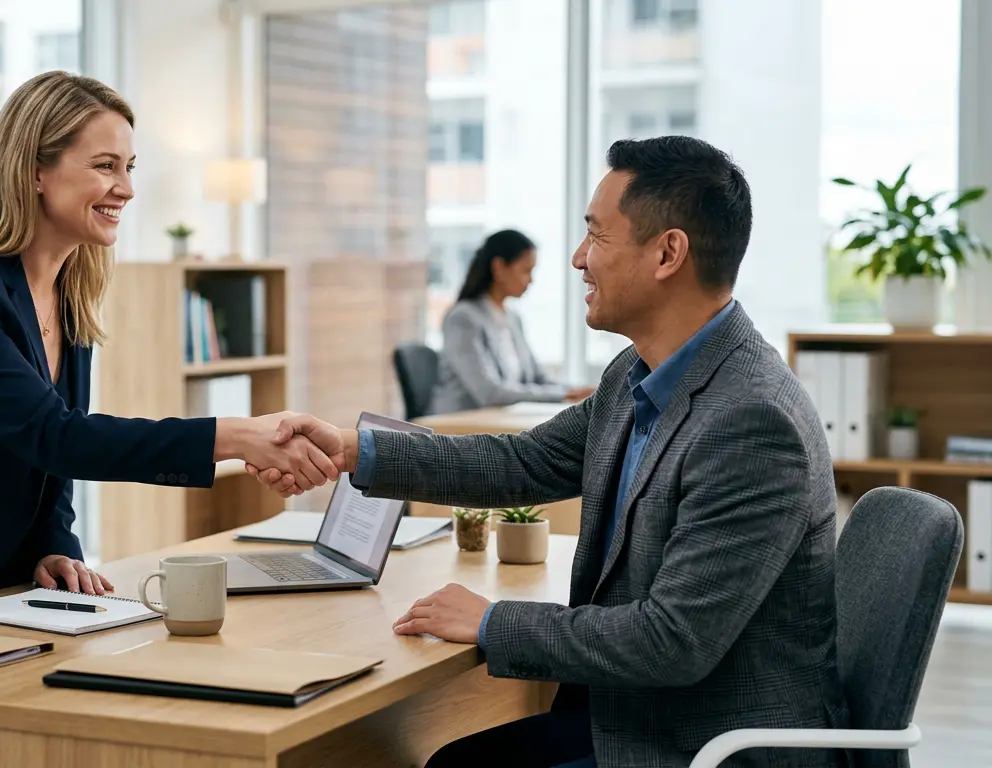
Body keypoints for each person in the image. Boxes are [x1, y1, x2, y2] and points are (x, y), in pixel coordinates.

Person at [252, 136, 848, 767]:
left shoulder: (751, 420)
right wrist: (350, 449)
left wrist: (491, 622)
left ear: (668, 253)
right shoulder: (636, 374)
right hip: (641, 713)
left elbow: (671, 641)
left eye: (597, 235)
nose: (577, 258)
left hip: (703, 743)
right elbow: (522, 463)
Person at [0, 72, 338, 629]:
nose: (125, 187)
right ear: (34, 170)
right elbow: (53, 435)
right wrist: (237, 436)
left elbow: (49, 449)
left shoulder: (67, 288)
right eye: (105, 165)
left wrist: (53, 545)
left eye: (128, 167)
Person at [429, 229, 593, 414]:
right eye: (525, 271)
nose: (530, 280)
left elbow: (537, 377)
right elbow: (490, 393)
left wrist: (575, 391)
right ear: (499, 267)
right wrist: (562, 394)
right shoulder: (463, 319)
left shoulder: (513, 319)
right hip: (458, 425)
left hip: (499, 420)